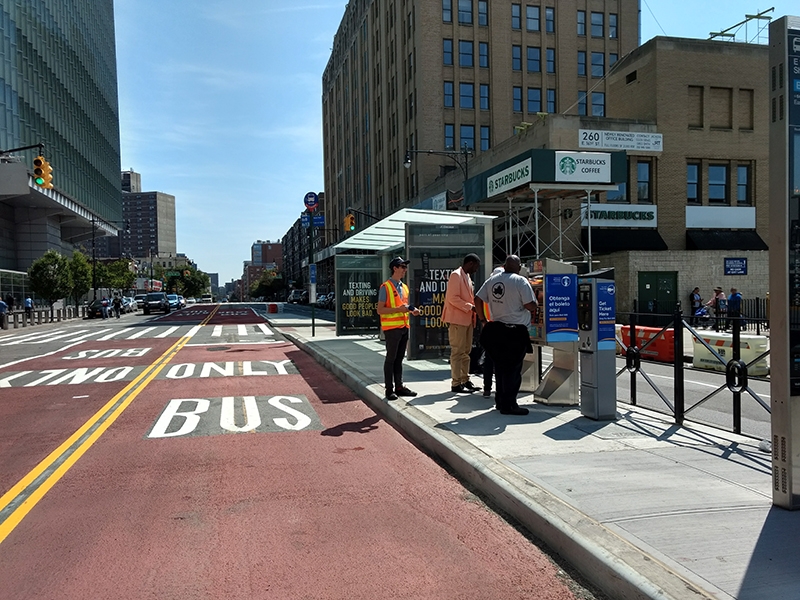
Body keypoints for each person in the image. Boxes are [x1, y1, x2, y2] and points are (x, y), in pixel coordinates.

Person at [475, 255, 538, 416]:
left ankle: (500, 402)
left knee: (501, 369)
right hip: (516, 331)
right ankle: (509, 405)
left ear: (504, 265)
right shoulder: (520, 281)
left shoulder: (492, 281)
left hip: (497, 330)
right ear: (518, 268)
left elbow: (477, 298)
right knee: (513, 371)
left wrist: (483, 319)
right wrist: (536, 303)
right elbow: (529, 305)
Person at [376, 257, 421, 400]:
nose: (404, 270)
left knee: (399, 359)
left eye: (405, 267)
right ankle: (389, 390)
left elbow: (404, 306)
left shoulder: (404, 287)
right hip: (392, 328)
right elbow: (380, 310)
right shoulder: (386, 287)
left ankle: (399, 387)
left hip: (403, 326)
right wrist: (399, 309)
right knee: (391, 359)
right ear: (394, 268)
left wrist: (411, 310)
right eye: (402, 267)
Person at [442, 253, 481, 394]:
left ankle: (465, 379)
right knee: (457, 351)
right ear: (470, 263)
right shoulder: (456, 275)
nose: (476, 269)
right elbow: (452, 298)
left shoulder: (467, 277)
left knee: (466, 352)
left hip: (467, 320)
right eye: (476, 266)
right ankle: (456, 383)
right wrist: (470, 307)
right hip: (457, 320)